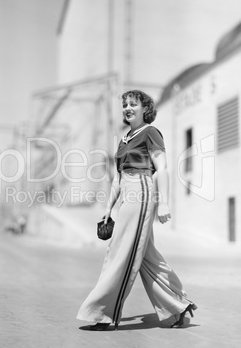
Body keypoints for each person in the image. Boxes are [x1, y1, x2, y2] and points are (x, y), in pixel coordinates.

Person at [77, 90, 197, 331]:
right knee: (144, 254)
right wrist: (109, 207)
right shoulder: (124, 139)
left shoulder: (151, 133)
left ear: (145, 109)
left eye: (133, 104)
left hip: (142, 190)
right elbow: (117, 178)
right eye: (125, 105)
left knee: (121, 252)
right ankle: (177, 306)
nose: (127, 108)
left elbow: (161, 168)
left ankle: (103, 313)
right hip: (126, 192)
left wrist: (163, 202)